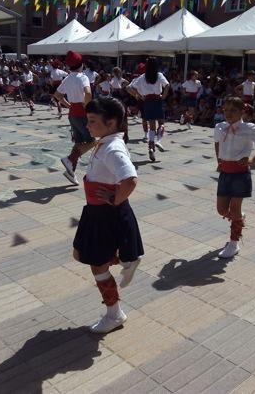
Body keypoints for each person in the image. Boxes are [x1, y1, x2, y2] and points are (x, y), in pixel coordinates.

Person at [74, 98, 143, 333]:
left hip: (105, 213)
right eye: (87, 120)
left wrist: (114, 199)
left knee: (97, 265)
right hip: (96, 211)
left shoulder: (112, 148)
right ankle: (125, 258)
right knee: (81, 253)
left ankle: (114, 314)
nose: (88, 125)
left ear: (111, 123)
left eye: (92, 121)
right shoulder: (105, 142)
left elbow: (130, 179)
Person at [215, 97, 255, 258]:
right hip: (225, 173)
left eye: (233, 110)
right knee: (221, 210)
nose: (228, 113)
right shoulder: (220, 127)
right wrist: (219, 160)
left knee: (234, 209)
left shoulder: (248, 128)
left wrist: (253, 160)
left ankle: (234, 243)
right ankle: (239, 218)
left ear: (242, 112)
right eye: (225, 110)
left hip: (240, 174)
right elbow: (217, 143)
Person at [54, 51, 95, 186]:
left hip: (72, 113)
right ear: (81, 65)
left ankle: (71, 171)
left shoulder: (67, 78)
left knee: (78, 142)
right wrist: (86, 106)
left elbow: (57, 95)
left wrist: (68, 105)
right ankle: (70, 159)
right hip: (82, 112)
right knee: (93, 141)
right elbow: (88, 93)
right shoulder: (82, 77)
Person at [129, 57, 169, 162]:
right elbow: (167, 85)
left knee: (152, 126)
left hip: (147, 101)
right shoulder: (159, 75)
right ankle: (158, 141)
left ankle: (151, 148)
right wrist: (164, 95)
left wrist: (139, 96)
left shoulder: (142, 77)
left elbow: (132, 87)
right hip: (157, 100)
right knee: (161, 123)